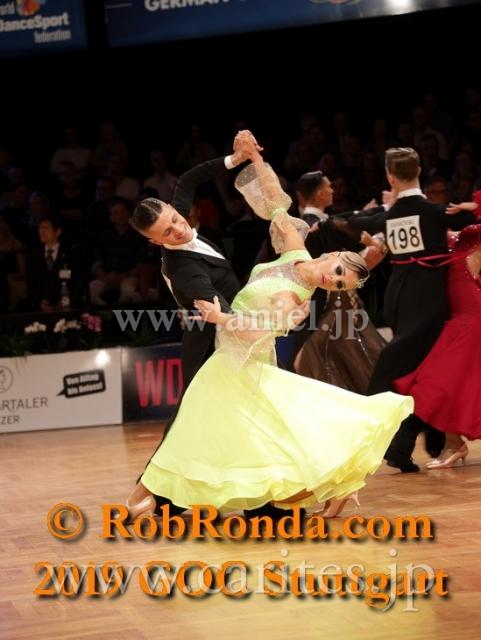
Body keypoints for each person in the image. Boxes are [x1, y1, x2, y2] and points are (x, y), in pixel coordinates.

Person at [126, 135, 413, 520]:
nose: (331, 280)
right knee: (225, 428)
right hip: (223, 354)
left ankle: (187, 497)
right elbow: (276, 203)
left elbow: (256, 331)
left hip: (243, 357)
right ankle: (179, 497)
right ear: (330, 254)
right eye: (337, 271)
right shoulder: (294, 250)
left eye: (338, 285)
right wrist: (254, 160)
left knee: (232, 428)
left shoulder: (293, 299)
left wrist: (222, 318)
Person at [347, 147, 476, 472]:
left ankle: (412, 443)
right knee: (419, 375)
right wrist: (474, 206)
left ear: (390, 177)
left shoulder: (397, 215)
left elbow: (356, 221)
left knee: (423, 375)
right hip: (429, 304)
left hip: (407, 301)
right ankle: (405, 439)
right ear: (419, 170)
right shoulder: (433, 212)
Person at [394, 224, 481, 468]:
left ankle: (453, 445)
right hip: (461, 321)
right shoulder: (457, 246)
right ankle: (453, 444)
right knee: (445, 386)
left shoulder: (471, 244)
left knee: (442, 384)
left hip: (470, 322)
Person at [295, 232, 389, 395]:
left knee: (344, 352)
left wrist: (374, 243)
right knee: (345, 352)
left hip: (341, 308)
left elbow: (379, 249)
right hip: (336, 307)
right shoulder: (339, 248)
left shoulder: (360, 248)